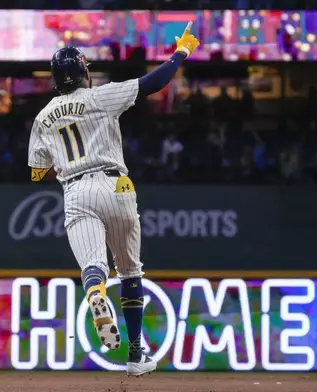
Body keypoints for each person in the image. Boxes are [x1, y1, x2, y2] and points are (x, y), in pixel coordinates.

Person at [27, 23, 200, 377]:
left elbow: (36, 172)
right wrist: (180, 52)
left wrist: (64, 153)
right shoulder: (99, 97)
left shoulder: (43, 116)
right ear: (82, 72)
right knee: (130, 269)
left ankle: (95, 293)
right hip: (116, 186)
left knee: (94, 267)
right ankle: (136, 355)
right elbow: (153, 83)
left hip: (76, 190)